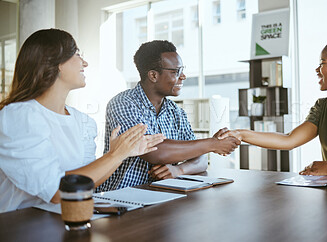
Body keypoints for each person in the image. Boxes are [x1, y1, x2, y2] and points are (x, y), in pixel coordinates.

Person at [0, 29, 165, 213]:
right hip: (21, 226)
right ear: (55, 63)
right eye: (77, 54)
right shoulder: (18, 117)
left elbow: (88, 182)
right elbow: (55, 190)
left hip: (68, 220)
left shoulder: (82, 121)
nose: (84, 62)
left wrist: (123, 153)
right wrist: (115, 155)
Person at [219, 26, 327, 179]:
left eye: (322, 63)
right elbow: (288, 140)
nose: (317, 69)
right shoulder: (324, 107)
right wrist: (240, 133)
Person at [96, 40, 240, 192]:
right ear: (153, 75)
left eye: (182, 70)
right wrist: (212, 144)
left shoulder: (176, 112)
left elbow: (201, 158)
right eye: (175, 72)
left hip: (163, 197)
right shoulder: (123, 103)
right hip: (120, 198)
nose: (183, 76)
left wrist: (179, 170)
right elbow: (152, 152)